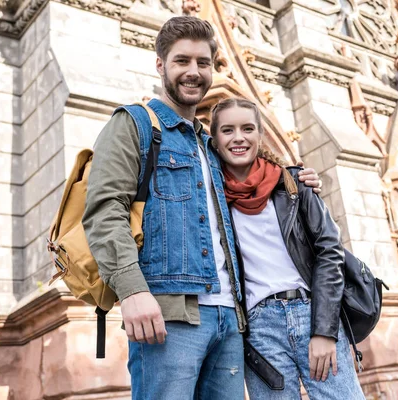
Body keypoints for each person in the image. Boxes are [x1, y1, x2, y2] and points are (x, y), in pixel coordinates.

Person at [82, 16, 320, 400]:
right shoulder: (134, 125)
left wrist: (297, 180)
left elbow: (254, 186)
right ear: (160, 65)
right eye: (182, 61)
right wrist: (132, 292)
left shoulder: (211, 146)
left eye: (203, 63)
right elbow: (104, 211)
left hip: (232, 318)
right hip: (170, 316)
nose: (193, 72)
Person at [209, 97, 366, 400]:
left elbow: (329, 252)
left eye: (247, 128)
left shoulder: (294, 184)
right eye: (227, 130)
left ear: (260, 135)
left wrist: (324, 329)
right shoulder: (211, 196)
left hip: (312, 311)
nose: (238, 137)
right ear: (214, 140)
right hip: (259, 327)